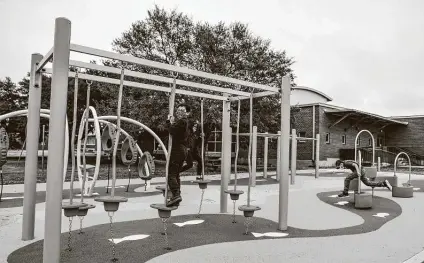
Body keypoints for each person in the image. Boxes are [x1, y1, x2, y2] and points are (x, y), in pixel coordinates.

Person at [165, 103, 191, 207]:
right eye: (178, 110)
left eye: (182, 110)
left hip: (178, 151)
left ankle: (176, 195)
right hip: (182, 150)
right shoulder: (183, 122)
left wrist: (168, 122)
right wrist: (171, 122)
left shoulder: (182, 121)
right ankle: (176, 195)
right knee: (175, 174)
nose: (179, 112)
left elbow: (172, 130)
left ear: (187, 113)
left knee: (171, 174)